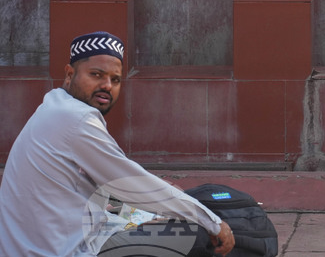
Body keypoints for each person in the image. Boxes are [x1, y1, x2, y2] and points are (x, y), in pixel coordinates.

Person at [0, 32, 235, 256]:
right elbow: (130, 183)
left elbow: (95, 186)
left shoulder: (54, 106)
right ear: (69, 74)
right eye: (96, 75)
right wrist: (211, 221)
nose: (107, 86)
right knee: (195, 235)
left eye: (115, 80)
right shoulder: (76, 118)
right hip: (56, 251)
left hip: (30, 245)